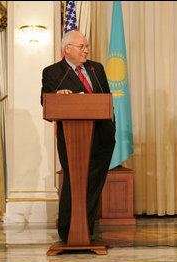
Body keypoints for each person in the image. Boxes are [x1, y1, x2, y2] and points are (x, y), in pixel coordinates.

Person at [41, 30, 115, 242]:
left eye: (86, 46)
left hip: (102, 138)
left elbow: (105, 100)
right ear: (67, 49)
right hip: (74, 141)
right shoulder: (54, 72)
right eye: (81, 46)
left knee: (93, 184)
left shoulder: (96, 68)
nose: (86, 50)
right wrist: (59, 97)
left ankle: (85, 230)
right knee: (75, 182)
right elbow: (45, 102)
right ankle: (67, 231)